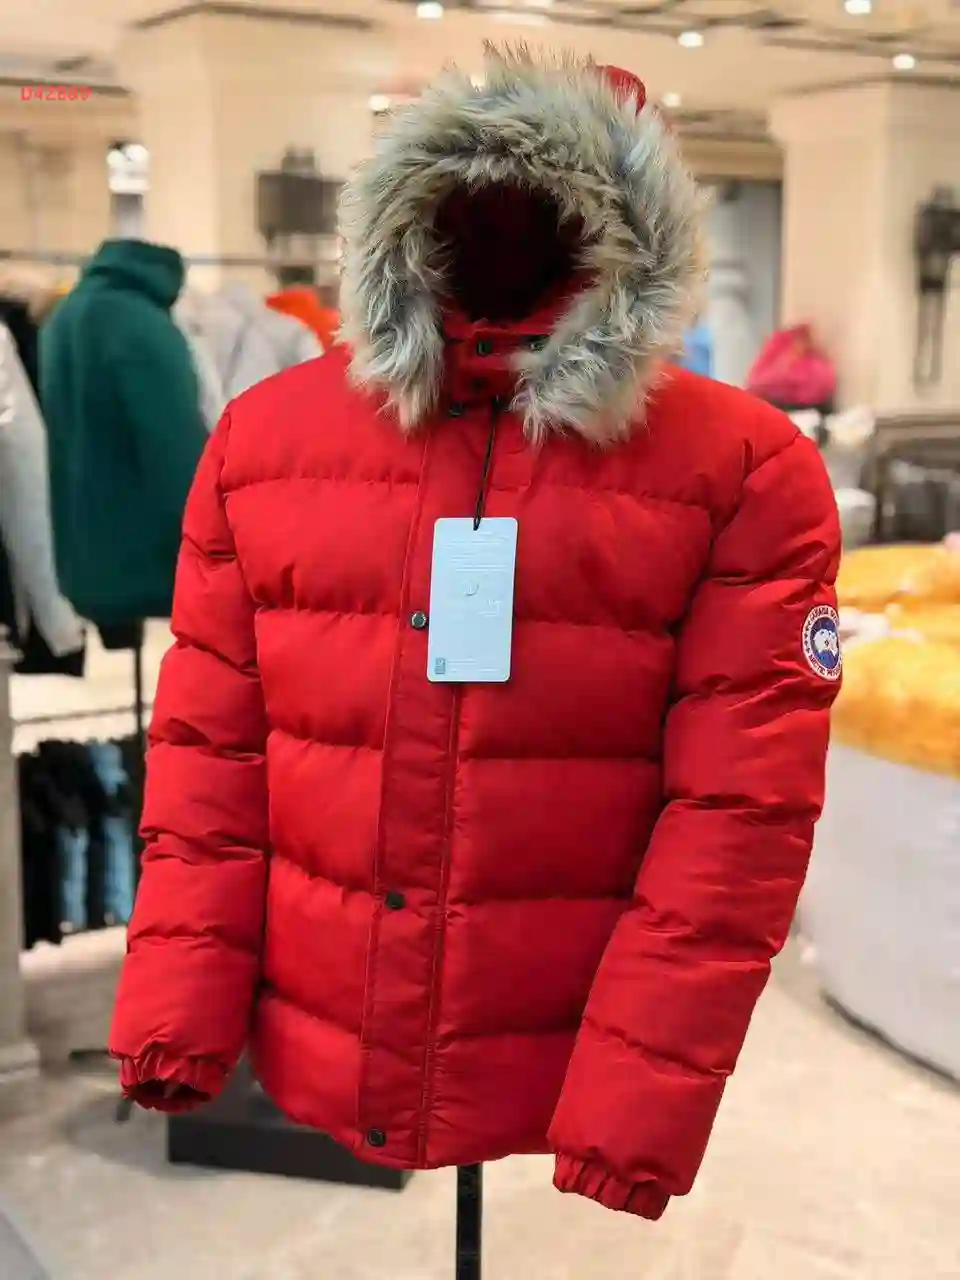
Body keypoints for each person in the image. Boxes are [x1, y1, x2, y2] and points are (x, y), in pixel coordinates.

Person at [109, 50, 842, 1220]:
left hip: (564, 1036)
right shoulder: (263, 445)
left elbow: (738, 817)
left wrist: (634, 1109)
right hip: (325, 1013)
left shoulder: (745, 471)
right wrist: (177, 1014)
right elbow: (209, 757)